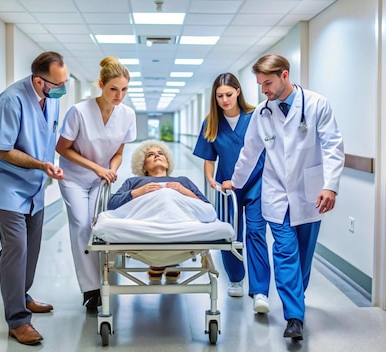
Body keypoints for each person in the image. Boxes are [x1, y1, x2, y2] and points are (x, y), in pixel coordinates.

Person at [222, 54, 345, 340]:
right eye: (260, 84)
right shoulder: (262, 114)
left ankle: (295, 301)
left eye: (268, 83)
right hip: (276, 193)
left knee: (303, 257)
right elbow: (249, 152)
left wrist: (331, 186)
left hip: (311, 193)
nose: (263, 90)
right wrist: (235, 183)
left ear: (285, 76)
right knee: (284, 252)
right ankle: (293, 318)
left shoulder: (317, 105)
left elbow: (333, 147)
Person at [0, 51, 67, 345]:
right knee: (15, 248)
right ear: (39, 81)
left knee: (32, 249)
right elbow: (4, 150)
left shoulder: (51, 99)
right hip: (9, 188)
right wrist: (42, 165)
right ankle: (17, 320)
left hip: (36, 187)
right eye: (57, 84)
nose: (61, 89)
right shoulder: (11, 100)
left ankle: (22, 296)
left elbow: (47, 136)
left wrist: (49, 166)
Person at [56, 56, 136, 312]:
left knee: (97, 226)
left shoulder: (127, 114)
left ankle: (104, 280)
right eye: (113, 89)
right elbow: (63, 148)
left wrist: (111, 170)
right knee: (80, 225)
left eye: (124, 89)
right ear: (101, 84)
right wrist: (97, 167)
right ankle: (91, 290)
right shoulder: (79, 111)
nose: (119, 95)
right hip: (75, 178)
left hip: (101, 180)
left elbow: (119, 152)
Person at [193, 73, 272, 314]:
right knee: (229, 234)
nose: (225, 100)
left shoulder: (255, 117)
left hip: (257, 184)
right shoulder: (211, 122)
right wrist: (210, 179)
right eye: (219, 96)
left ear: (238, 91)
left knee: (257, 233)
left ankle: (260, 291)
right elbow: (209, 157)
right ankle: (236, 279)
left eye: (228, 94)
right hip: (227, 186)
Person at [108, 140, 209, 281]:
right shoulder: (133, 182)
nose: (157, 156)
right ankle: (167, 260)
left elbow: (206, 208)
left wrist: (184, 191)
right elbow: (112, 204)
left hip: (179, 224)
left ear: (167, 163)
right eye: (150, 155)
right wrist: (138, 192)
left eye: (160, 153)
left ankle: (166, 260)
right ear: (143, 166)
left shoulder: (183, 181)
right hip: (146, 225)